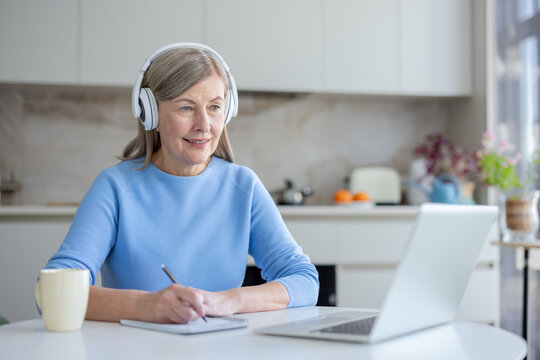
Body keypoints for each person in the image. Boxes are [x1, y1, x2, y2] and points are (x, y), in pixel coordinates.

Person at [43, 43, 319, 324]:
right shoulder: (115, 188)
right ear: (149, 113)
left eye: (214, 107)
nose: (204, 124)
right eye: (186, 107)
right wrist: (145, 306)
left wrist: (229, 300)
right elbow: (52, 293)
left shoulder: (243, 187)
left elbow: (304, 280)